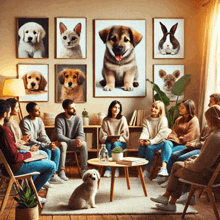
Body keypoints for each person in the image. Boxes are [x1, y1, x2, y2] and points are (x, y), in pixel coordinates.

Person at [150, 105, 220, 211]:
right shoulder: (216, 135)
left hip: (207, 176)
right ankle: (169, 200)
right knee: (177, 165)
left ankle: (168, 199)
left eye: (207, 120)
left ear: (212, 119)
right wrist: (194, 159)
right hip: (213, 175)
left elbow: (199, 165)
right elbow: (208, 157)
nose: (207, 123)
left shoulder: (215, 137)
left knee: (177, 166)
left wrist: (189, 163)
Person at [0, 99, 56, 203]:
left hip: (5, 166)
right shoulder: (5, 132)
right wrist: (28, 154)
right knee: (51, 166)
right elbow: (15, 157)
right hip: (14, 168)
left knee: (41, 159)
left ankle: (27, 193)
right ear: (5, 113)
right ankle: (28, 196)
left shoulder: (2, 130)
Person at [167, 93, 220, 175]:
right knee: (172, 153)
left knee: (179, 158)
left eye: (210, 102)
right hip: (193, 145)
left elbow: (205, 145)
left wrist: (193, 145)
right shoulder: (208, 125)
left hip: (198, 148)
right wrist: (193, 143)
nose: (208, 104)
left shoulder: (215, 132)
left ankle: (176, 181)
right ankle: (168, 177)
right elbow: (199, 137)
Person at [153, 99, 200, 182]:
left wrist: (178, 138)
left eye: (182, 107)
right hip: (175, 142)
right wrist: (177, 138)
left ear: (188, 109)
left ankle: (169, 179)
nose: (179, 109)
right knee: (167, 142)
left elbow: (190, 137)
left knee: (170, 154)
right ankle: (163, 169)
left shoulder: (194, 120)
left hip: (186, 145)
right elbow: (173, 133)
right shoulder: (179, 119)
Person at [20, 102, 62, 184]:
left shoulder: (39, 120)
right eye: (36, 111)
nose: (39, 112)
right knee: (48, 150)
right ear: (30, 112)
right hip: (30, 144)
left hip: (39, 142)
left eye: (39, 110)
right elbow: (30, 140)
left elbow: (43, 135)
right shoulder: (25, 122)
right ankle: (44, 176)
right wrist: (47, 146)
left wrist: (50, 144)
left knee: (56, 150)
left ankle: (53, 175)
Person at [54, 99, 88, 180]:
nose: (75, 109)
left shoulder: (78, 118)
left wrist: (79, 139)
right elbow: (59, 136)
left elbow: (81, 133)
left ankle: (84, 170)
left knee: (84, 144)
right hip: (63, 143)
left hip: (74, 143)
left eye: (75, 107)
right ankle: (61, 171)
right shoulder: (59, 118)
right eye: (72, 108)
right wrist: (72, 141)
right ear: (65, 110)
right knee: (63, 144)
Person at [138, 101, 171, 178]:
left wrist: (151, 142)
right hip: (150, 140)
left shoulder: (163, 119)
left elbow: (161, 136)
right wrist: (143, 139)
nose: (153, 109)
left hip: (160, 142)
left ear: (160, 110)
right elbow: (145, 131)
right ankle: (140, 168)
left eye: (156, 108)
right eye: (153, 106)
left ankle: (147, 170)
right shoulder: (146, 119)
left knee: (150, 147)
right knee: (141, 146)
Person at [99, 100, 129, 178]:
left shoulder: (123, 119)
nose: (116, 109)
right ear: (111, 108)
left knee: (115, 144)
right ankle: (108, 169)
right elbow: (102, 135)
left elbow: (125, 135)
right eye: (115, 107)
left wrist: (117, 139)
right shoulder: (106, 120)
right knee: (108, 145)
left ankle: (116, 168)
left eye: (118, 108)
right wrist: (109, 139)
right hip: (109, 141)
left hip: (120, 142)